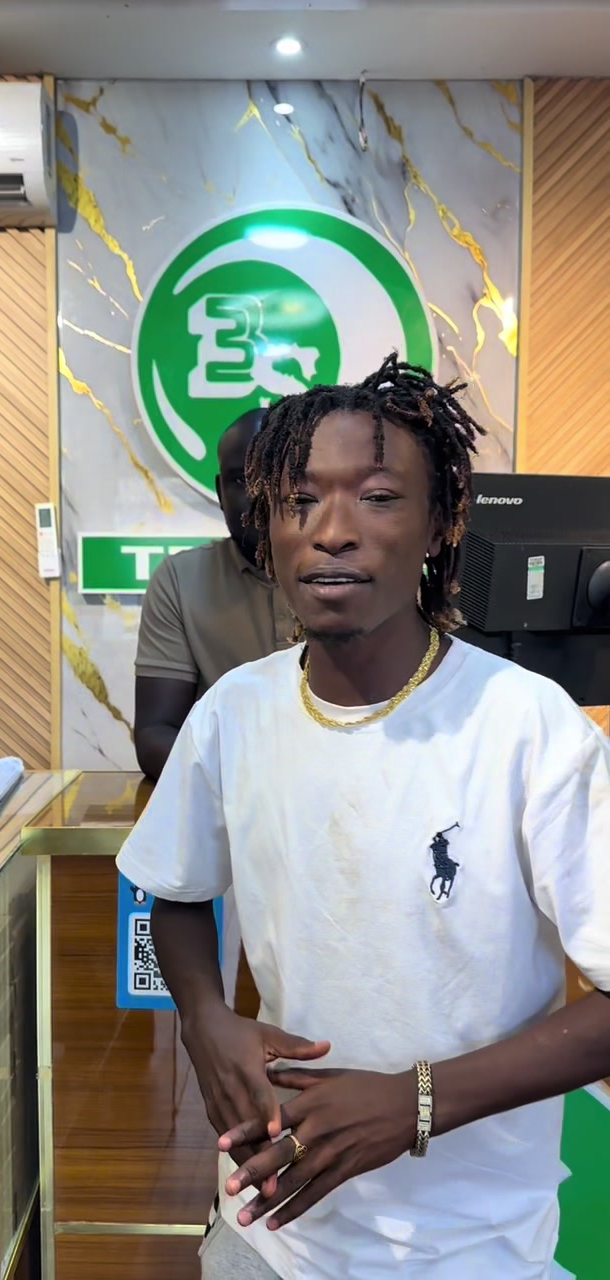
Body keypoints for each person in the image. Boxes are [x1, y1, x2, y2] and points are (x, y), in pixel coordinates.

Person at [117, 354, 610, 1279]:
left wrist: (414, 1102)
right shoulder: (234, 712)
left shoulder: (528, 728)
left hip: (471, 1246)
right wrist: (205, 1018)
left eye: (378, 498)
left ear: (439, 523)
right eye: (299, 501)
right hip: (271, 1229)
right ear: (266, 530)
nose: (332, 531)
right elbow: (174, 891)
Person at [134, 408, 294, 781]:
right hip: (226, 796)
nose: (258, 495)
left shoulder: (351, 576)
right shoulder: (179, 580)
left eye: (275, 478)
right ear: (221, 492)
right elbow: (154, 735)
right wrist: (256, 785)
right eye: (241, 480)